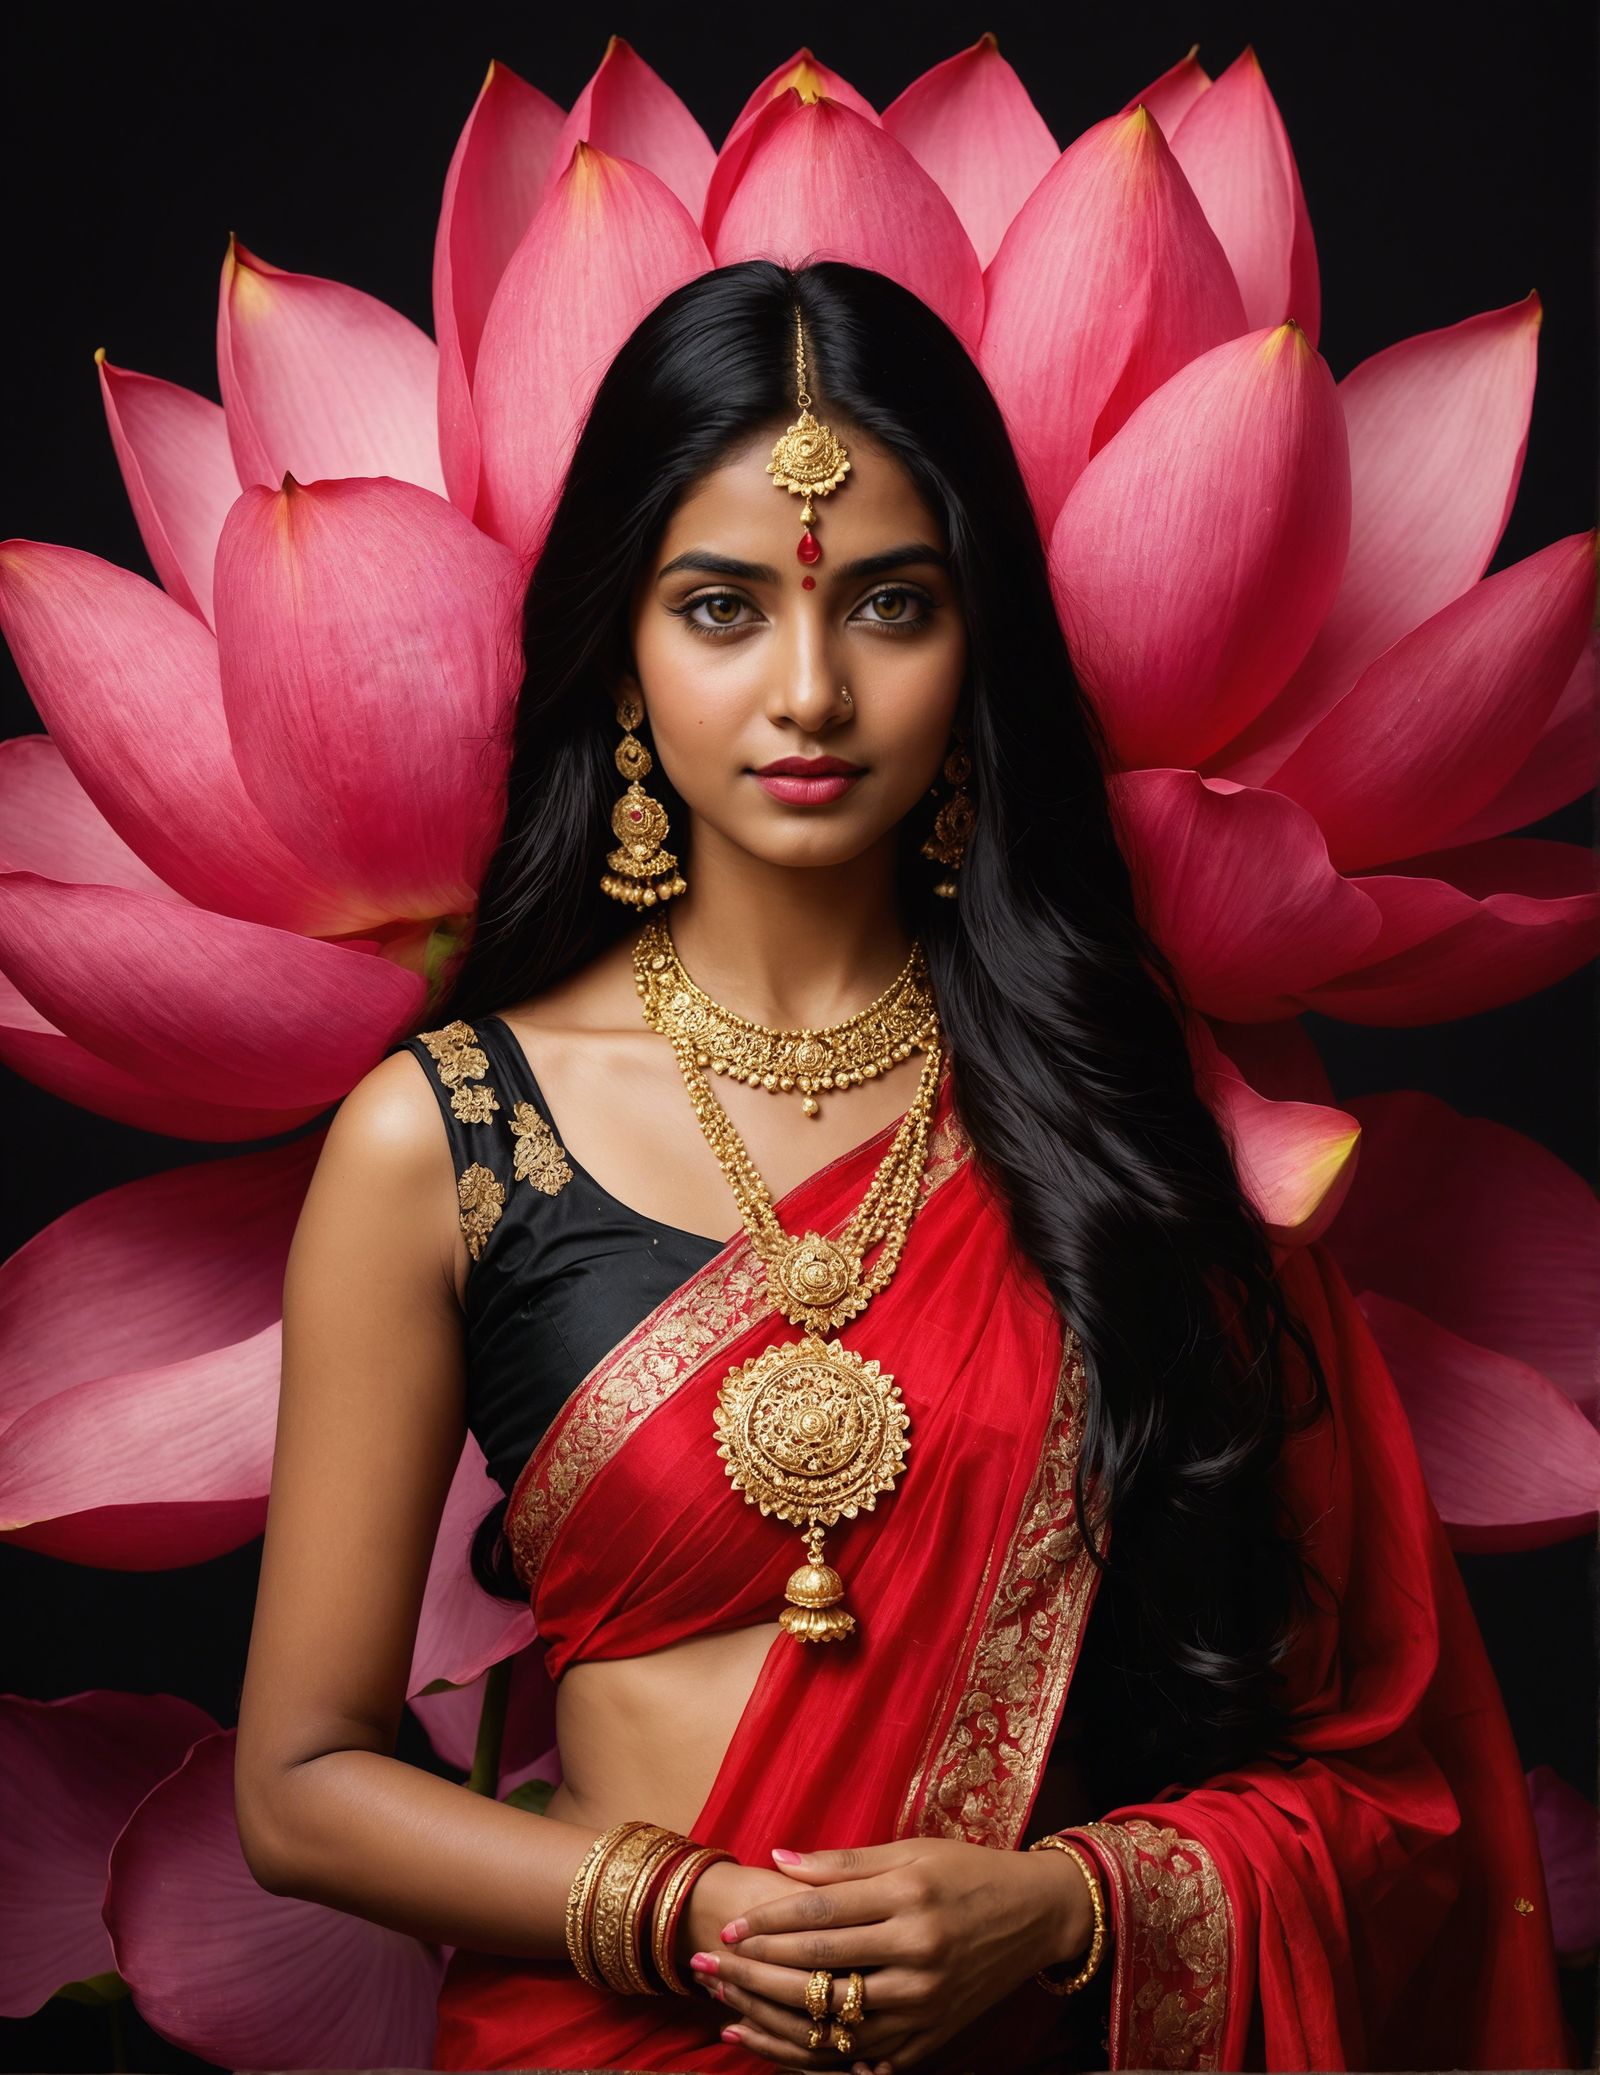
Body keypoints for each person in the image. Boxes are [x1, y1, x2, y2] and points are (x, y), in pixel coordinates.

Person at [233, 259, 1571, 2074]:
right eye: (720, 608)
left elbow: (1369, 1773)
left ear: (977, 645)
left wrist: (1072, 1907)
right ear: (620, 646)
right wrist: (683, 1917)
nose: (809, 689)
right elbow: (303, 1784)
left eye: (888, 605)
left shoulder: (1119, 1116)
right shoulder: (444, 1133)